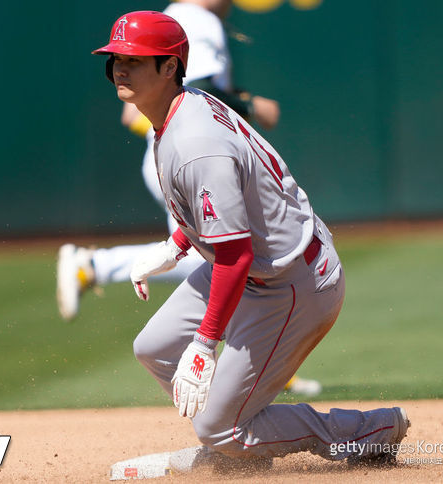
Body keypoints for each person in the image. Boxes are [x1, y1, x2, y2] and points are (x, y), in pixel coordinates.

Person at [90, 10, 410, 473]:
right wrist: (176, 245)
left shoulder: (194, 140)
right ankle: (238, 449)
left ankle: (369, 430)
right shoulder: (182, 107)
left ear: (169, 67)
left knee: (217, 427)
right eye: (116, 58)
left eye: (136, 60)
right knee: (154, 349)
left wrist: (205, 342)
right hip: (260, 265)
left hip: (291, 282)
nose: (120, 68)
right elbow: (236, 205)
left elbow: (235, 257)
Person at [57, 0, 320, 397]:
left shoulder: (175, 18)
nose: (119, 69)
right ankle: (95, 265)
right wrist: (252, 105)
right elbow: (197, 88)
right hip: (186, 161)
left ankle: (250, 363)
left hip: (176, 155)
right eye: (116, 61)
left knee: (210, 255)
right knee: (219, 256)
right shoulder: (193, 20)